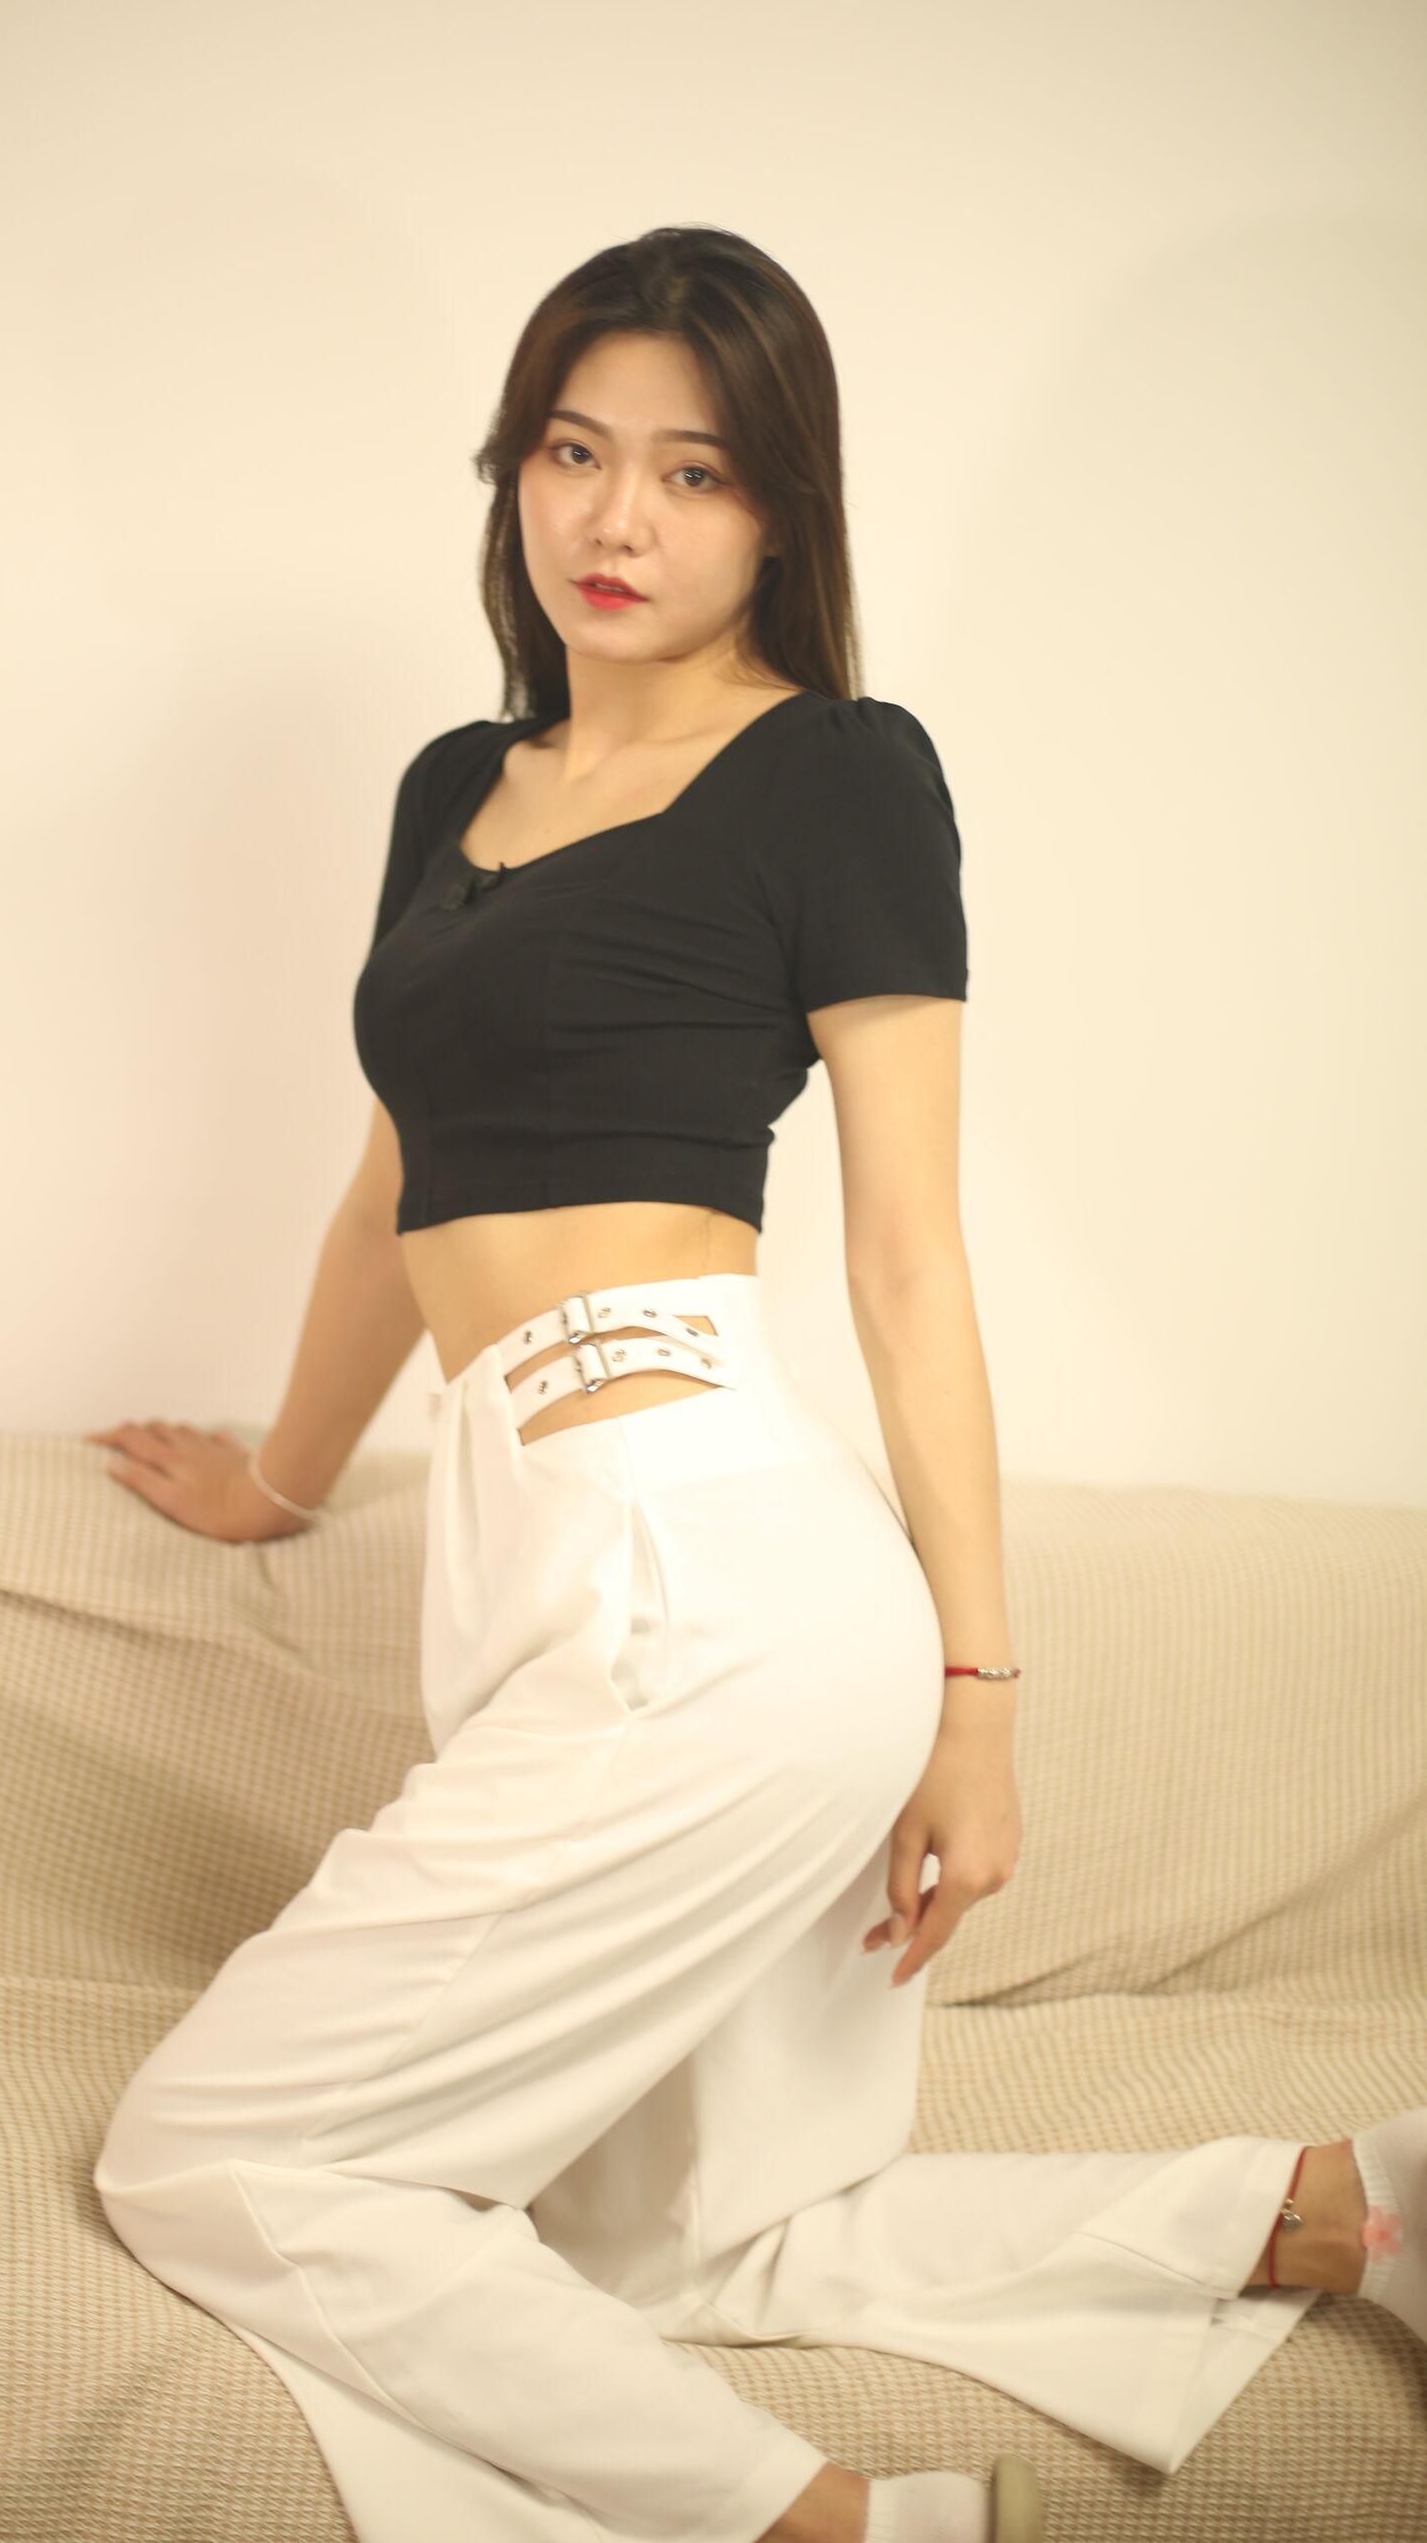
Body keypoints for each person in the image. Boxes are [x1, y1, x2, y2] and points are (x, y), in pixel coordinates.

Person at [82, 227, 1422, 2543]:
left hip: (710, 1562)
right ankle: (1344, 2212)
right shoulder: (454, 786)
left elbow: (906, 1257)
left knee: (210, 2157)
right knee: (664, 2250)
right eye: (573, 452)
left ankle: (836, 2529)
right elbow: (395, 1180)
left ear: (782, 511)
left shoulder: (840, 778)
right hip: (536, 1562)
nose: (617, 518)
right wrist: (286, 1483)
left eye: (692, 473)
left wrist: (979, 1699)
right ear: (514, 473)